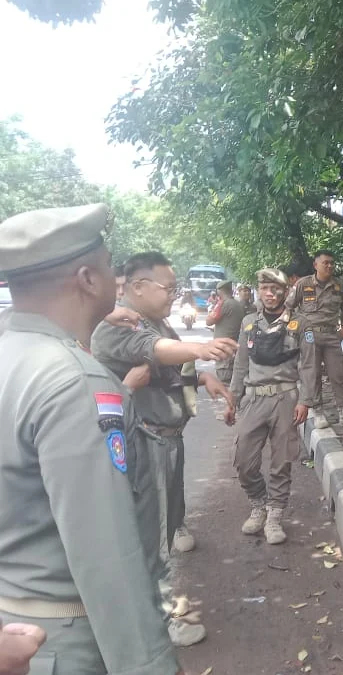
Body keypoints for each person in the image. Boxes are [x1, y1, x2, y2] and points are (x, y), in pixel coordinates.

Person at [0, 204, 182, 674]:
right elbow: (108, 555)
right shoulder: (74, 382)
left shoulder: (11, 353)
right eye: (109, 265)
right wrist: (154, 666)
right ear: (86, 278)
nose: (117, 278)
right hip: (66, 640)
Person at [91, 251, 237, 647]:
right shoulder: (118, 327)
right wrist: (199, 350)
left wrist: (204, 377)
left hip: (167, 437)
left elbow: (169, 363)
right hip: (144, 440)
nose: (174, 295)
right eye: (168, 288)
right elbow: (154, 350)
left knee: (167, 523)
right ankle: (161, 618)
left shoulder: (155, 321)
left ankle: (156, 601)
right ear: (137, 286)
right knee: (151, 534)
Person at [228, 268, 312, 545]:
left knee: (282, 461)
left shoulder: (300, 324)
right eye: (265, 288)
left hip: (285, 399)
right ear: (258, 291)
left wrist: (305, 400)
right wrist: (232, 398)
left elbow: (310, 365)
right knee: (243, 459)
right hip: (254, 398)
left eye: (276, 289)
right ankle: (258, 503)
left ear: (285, 292)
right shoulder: (249, 323)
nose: (270, 294)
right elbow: (241, 363)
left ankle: (275, 515)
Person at [287, 249, 343, 430]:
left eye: (331, 263)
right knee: (313, 375)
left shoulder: (338, 286)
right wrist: (294, 331)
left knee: (338, 374)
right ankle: (318, 412)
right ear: (315, 265)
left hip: (331, 335)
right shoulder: (303, 284)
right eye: (325, 262)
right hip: (309, 335)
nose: (329, 266)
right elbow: (288, 307)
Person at [207, 279, 247, 386]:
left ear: (219, 291)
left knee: (225, 381)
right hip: (234, 345)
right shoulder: (237, 304)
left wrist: (215, 306)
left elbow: (209, 321)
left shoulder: (223, 304)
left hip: (223, 348)